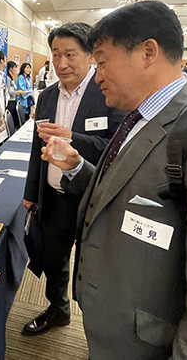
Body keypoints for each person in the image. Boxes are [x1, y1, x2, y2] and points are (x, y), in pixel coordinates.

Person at [41, 0, 187, 359]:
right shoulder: (138, 119)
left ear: (147, 52)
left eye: (102, 62)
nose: (97, 75)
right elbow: (120, 194)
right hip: (114, 330)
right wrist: (75, 167)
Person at [21, 22, 125, 336]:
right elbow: (37, 146)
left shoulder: (109, 92)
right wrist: (32, 192)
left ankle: (101, 331)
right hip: (53, 196)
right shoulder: (48, 96)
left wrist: (73, 138)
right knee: (54, 261)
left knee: (96, 268)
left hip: (95, 199)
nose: (61, 64)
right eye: (55, 55)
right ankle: (58, 310)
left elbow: (119, 149)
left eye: (70, 54)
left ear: (90, 55)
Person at [6, 61, 24, 128]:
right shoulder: (7, 78)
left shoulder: (11, 78)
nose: (16, 70)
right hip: (10, 102)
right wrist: (19, 92)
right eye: (15, 67)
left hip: (14, 101)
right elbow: (10, 92)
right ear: (10, 68)